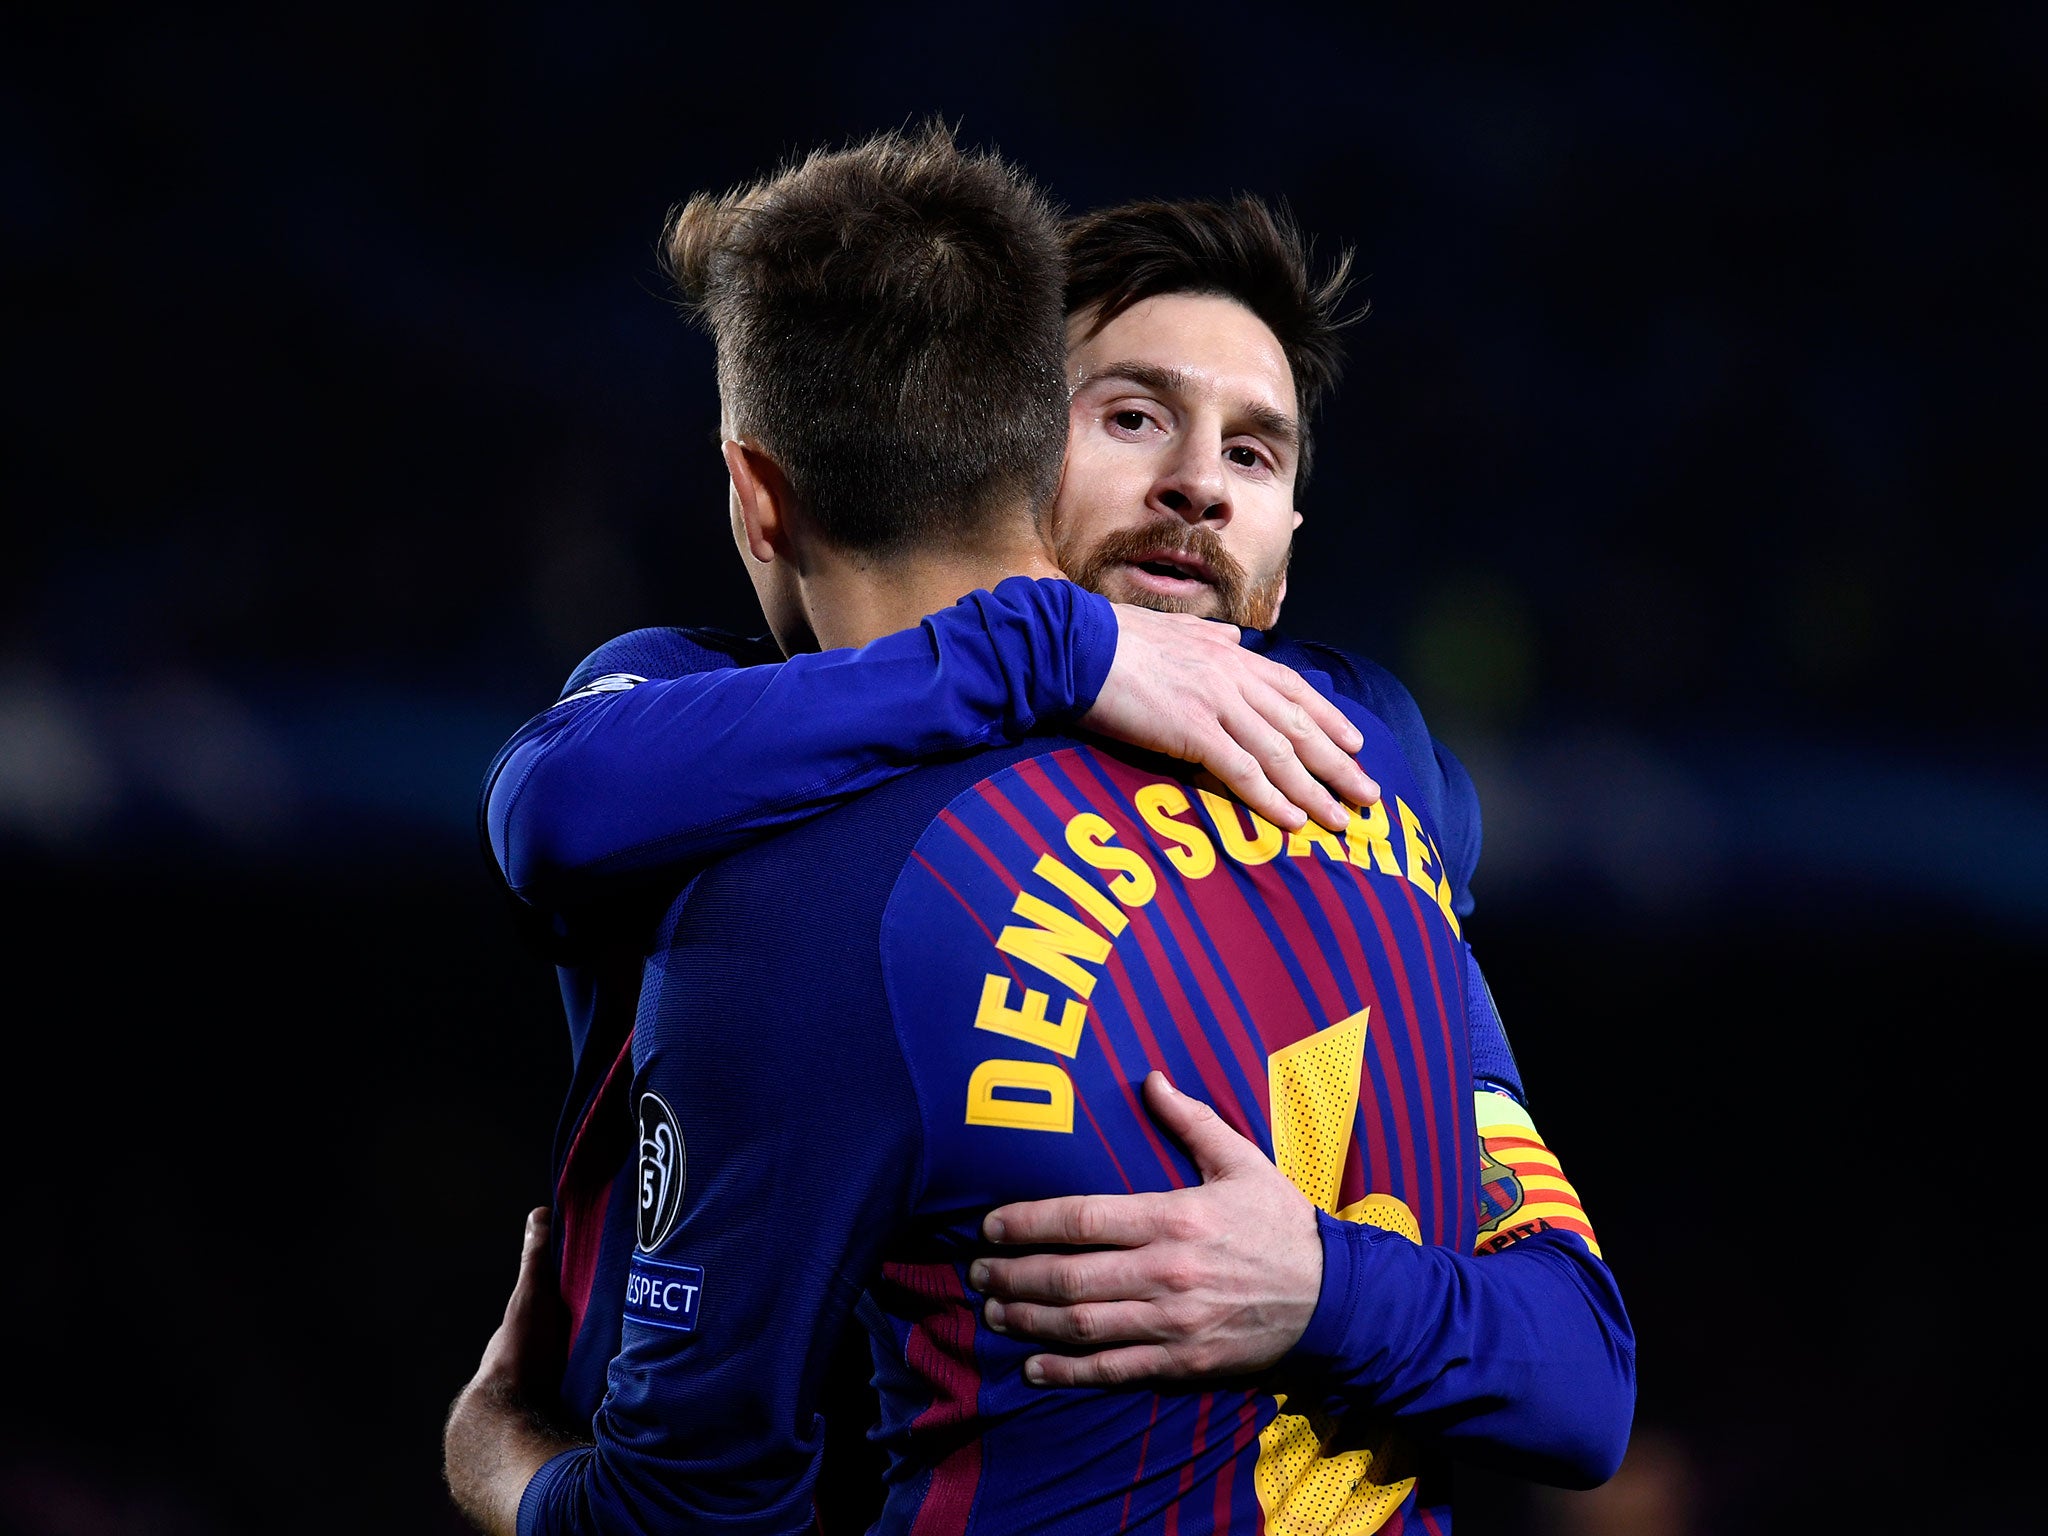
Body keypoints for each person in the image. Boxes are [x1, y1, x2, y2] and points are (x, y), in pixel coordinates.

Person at [445, 125, 1633, 1535]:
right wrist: (1047, 647)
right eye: (1132, 416)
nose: (1197, 483)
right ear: (1009, 443)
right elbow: (555, 800)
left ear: (1289, 550)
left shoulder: (1364, 776)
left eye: (1254, 450)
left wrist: (1319, 1284)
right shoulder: (753, 729)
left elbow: (1584, 1376)